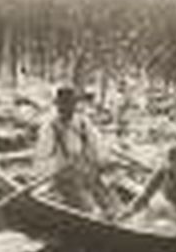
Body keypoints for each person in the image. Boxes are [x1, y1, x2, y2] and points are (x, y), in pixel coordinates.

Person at [35, 85, 119, 218]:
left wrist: (103, 162)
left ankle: (115, 214)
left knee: (113, 204)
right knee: (91, 210)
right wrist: (56, 170)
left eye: (71, 104)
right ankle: (95, 215)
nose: (68, 108)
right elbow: (42, 158)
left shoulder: (83, 123)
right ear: (58, 106)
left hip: (88, 173)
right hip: (66, 178)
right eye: (64, 104)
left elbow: (97, 147)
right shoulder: (50, 127)